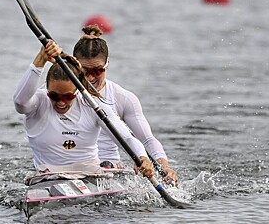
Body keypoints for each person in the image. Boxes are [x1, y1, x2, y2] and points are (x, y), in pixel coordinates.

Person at [13, 39, 154, 177]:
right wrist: (40, 60)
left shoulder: (93, 104)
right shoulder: (39, 102)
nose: (61, 103)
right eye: (55, 96)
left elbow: (127, 138)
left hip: (90, 174)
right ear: (47, 89)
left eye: (67, 97)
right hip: (48, 176)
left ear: (78, 91)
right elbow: (20, 103)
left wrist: (142, 157)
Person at [72, 25, 179, 186]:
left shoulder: (123, 98)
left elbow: (147, 140)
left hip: (108, 170)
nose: (90, 78)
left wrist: (164, 167)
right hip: (69, 167)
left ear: (107, 65)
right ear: (74, 65)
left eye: (97, 71)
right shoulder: (58, 94)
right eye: (84, 71)